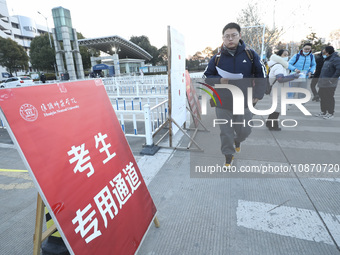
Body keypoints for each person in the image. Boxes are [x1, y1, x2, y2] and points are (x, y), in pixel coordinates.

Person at [204, 22, 266, 167]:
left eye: (233, 35)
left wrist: (258, 94)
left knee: (245, 130)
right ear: (223, 38)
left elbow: (261, 75)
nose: (230, 39)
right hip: (222, 102)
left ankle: (238, 140)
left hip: (244, 100)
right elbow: (207, 76)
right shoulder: (217, 57)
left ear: (239, 36)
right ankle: (228, 155)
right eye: (227, 36)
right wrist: (219, 80)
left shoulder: (251, 55)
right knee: (225, 132)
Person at [267, 49, 300, 131]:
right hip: (278, 89)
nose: (287, 57)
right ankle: (273, 125)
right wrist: (294, 76)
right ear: (279, 55)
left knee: (275, 107)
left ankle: (269, 123)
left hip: (278, 88)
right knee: (277, 108)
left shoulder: (279, 65)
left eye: (287, 55)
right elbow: (280, 78)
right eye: (284, 55)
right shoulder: (279, 66)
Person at [314, 46, 340, 119]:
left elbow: (338, 71)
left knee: (329, 98)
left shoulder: (336, 59)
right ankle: (323, 111)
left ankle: (331, 113)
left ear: (328, 52)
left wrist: (331, 80)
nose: (323, 52)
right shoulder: (327, 59)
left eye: (324, 51)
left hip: (330, 83)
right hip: (323, 82)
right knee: (322, 97)